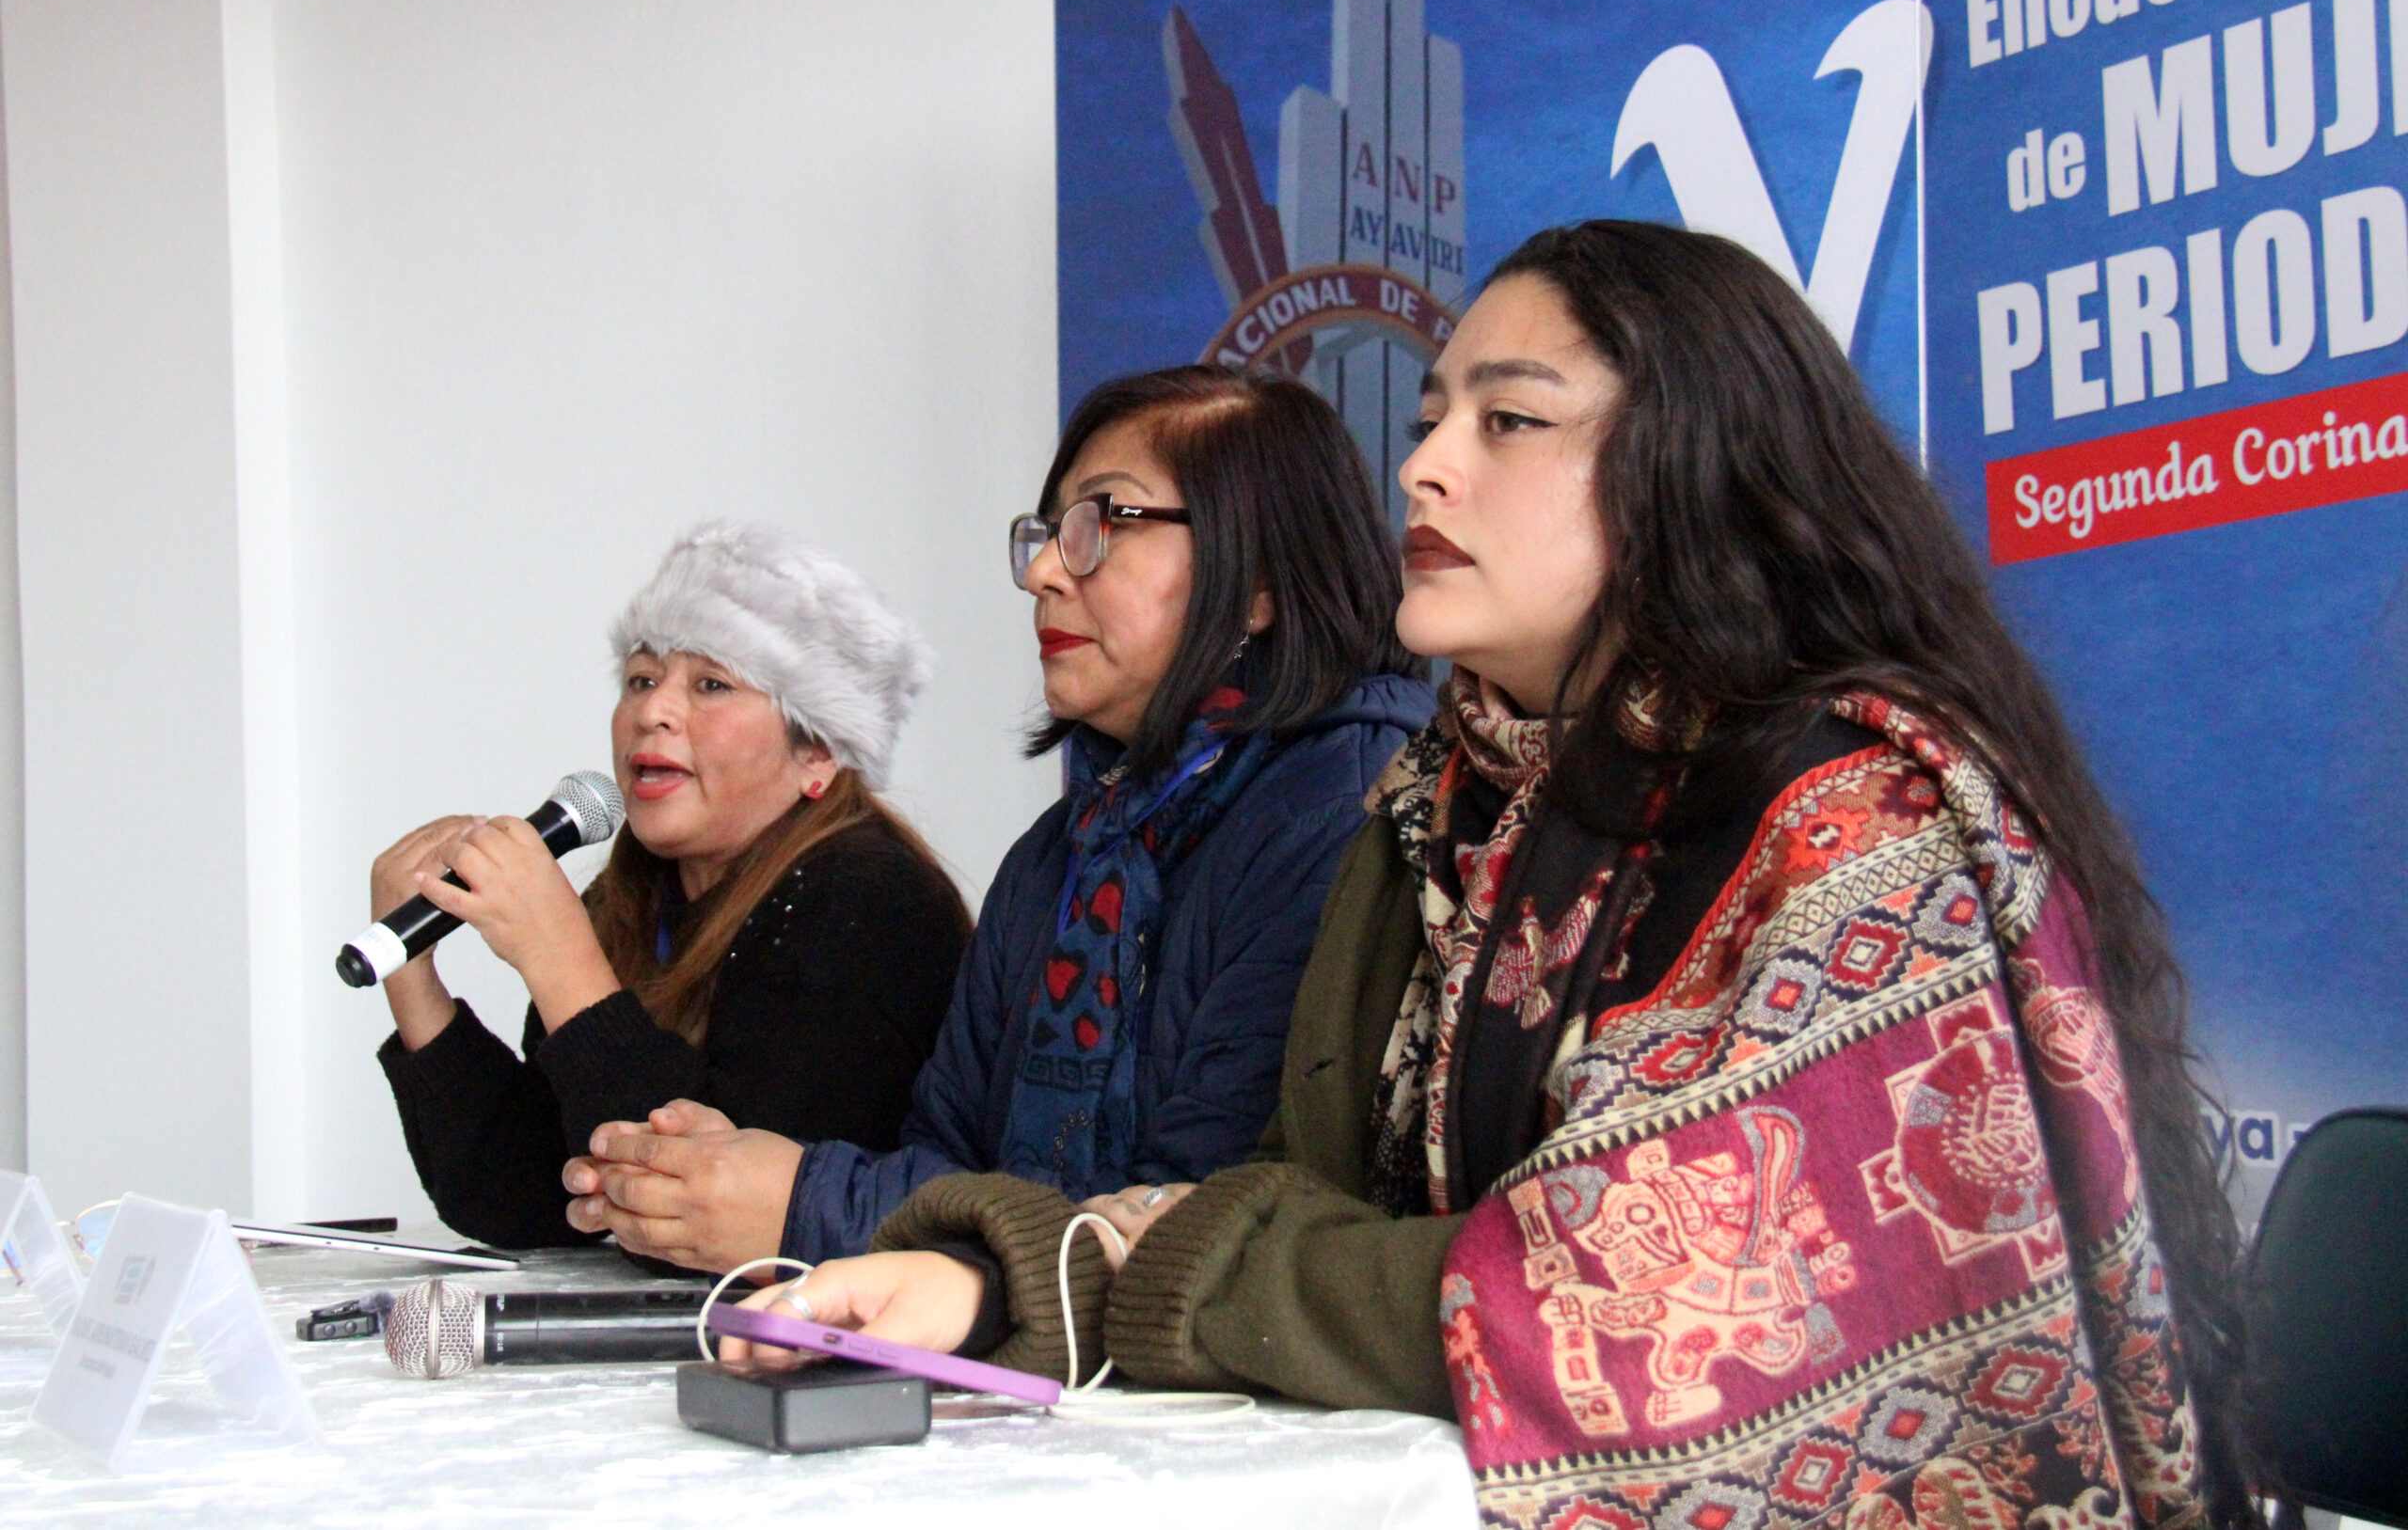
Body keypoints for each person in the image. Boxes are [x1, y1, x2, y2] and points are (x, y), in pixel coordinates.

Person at [722, 224, 2258, 1530]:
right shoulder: (1448, 804)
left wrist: (1138, 1276)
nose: (1425, 463)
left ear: (1693, 467)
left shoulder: (1857, 820)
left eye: (1508, 419)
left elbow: (1608, 1307)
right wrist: (999, 1280)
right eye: (1431, 415)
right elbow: (1294, 1195)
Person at [562, 366, 1434, 1291]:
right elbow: (945, 1154)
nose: (1044, 573)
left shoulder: (1345, 817)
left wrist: (801, 1200)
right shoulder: (1059, 850)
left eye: (1103, 522)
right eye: (1047, 534)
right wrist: (729, 1180)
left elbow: (1194, 1225)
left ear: (1256, 579)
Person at [375, 522, 970, 1251]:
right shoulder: (627, 898)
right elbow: (525, 1201)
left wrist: (560, 961)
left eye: (711, 684)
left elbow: (732, 1222)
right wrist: (412, 979)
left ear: (817, 752)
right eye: (641, 679)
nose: (652, 711)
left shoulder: (873, 901)